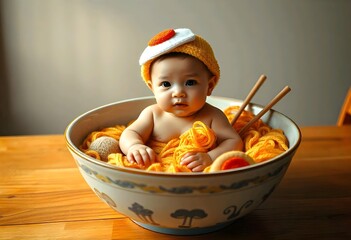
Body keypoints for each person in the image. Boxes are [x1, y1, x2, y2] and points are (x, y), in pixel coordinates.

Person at [119, 28, 243, 172]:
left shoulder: (213, 117)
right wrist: (134, 146)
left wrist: (210, 157)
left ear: (209, 86)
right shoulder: (153, 114)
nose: (178, 93)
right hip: (156, 173)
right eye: (166, 84)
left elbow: (234, 141)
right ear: (152, 88)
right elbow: (129, 133)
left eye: (190, 83)